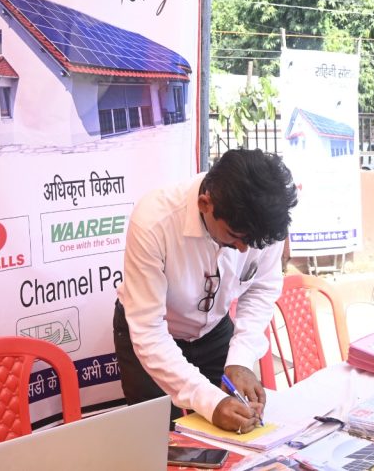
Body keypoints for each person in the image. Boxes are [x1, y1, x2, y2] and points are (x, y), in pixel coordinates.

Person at [112, 148, 298, 434]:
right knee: (160, 443)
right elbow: (148, 332)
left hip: (213, 330)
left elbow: (262, 288)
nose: (243, 250)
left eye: (252, 243)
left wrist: (241, 359)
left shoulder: (262, 222)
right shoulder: (154, 221)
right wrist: (210, 402)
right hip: (153, 335)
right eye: (235, 238)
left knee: (232, 434)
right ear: (204, 204)